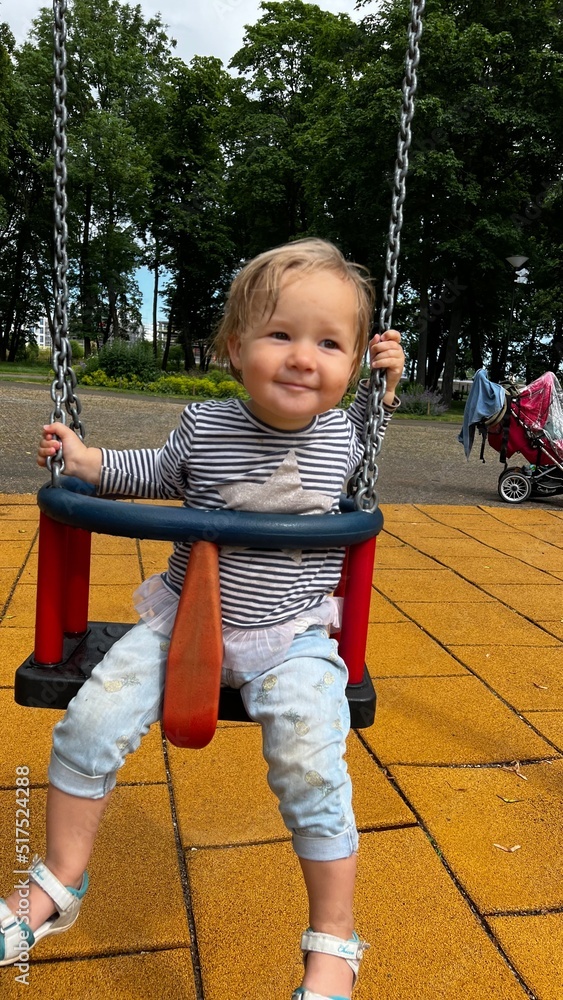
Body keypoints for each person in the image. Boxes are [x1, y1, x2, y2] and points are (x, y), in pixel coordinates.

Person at [0, 238, 404, 1000]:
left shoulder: (344, 438)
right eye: (280, 334)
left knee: (313, 767)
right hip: (184, 620)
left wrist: (386, 383)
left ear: (352, 364)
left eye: (328, 344)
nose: (302, 357)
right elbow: (151, 472)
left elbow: (369, 416)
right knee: (88, 723)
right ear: (235, 347)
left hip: (292, 636)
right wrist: (84, 461)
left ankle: (334, 941)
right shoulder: (205, 426)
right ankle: (58, 879)